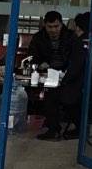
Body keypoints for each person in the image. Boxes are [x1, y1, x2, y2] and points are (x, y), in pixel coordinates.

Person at [28, 10, 85, 141]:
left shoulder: (71, 37)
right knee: (50, 93)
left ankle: (55, 129)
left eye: (56, 26)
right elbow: (32, 56)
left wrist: (65, 73)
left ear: (61, 24)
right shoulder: (38, 38)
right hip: (46, 75)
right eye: (50, 27)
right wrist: (39, 64)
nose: (53, 30)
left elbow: (77, 60)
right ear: (45, 25)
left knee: (61, 96)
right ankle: (52, 127)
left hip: (68, 76)